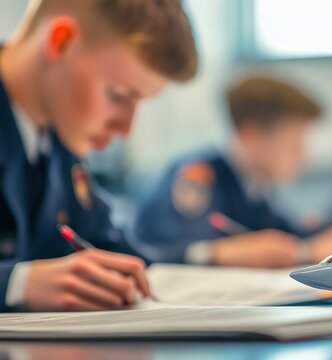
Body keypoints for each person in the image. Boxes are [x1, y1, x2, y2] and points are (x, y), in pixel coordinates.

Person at [0, 0, 197, 311]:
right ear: (62, 41)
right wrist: (16, 284)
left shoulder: (57, 135)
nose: (126, 128)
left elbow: (110, 245)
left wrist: (208, 258)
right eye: (117, 95)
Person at [134, 75, 332, 268]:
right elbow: (168, 247)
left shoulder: (252, 185)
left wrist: (327, 235)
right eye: (295, 144)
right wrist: (220, 253)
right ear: (251, 135)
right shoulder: (197, 175)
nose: (305, 156)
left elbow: (282, 231)